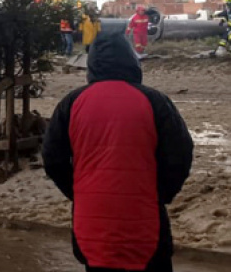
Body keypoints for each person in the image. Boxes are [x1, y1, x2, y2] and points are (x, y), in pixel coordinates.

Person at [43, 32, 193, 272]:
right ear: (131, 59)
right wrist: (160, 194)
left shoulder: (71, 103)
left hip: (91, 225)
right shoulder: (154, 100)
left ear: (91, 64)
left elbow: (52, 159)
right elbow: (180, 155)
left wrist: (79, 192)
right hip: (145, 220)